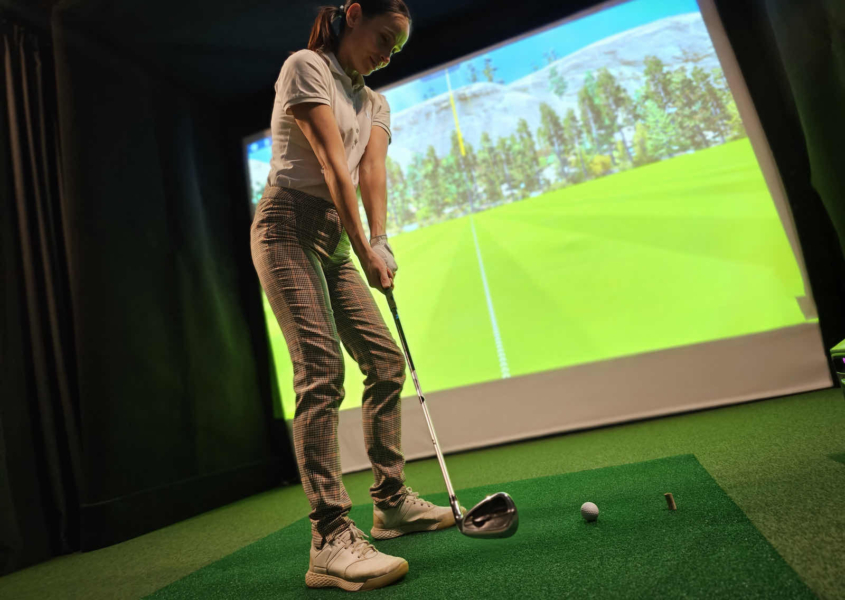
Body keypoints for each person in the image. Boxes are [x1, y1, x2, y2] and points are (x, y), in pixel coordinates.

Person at [250, 1, 465, 592]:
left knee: (384, 361)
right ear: (353, 13)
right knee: (320, 370)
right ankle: (329, 537)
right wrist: (361, 244)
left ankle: (391, 503)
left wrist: (381, 240)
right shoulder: (305, 66)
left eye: (397, 49)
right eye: (383, 38)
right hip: (285, 226)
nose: (387, 54)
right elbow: (327, 162)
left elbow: (371, 171)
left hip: (333, 239)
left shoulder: (374, 101)